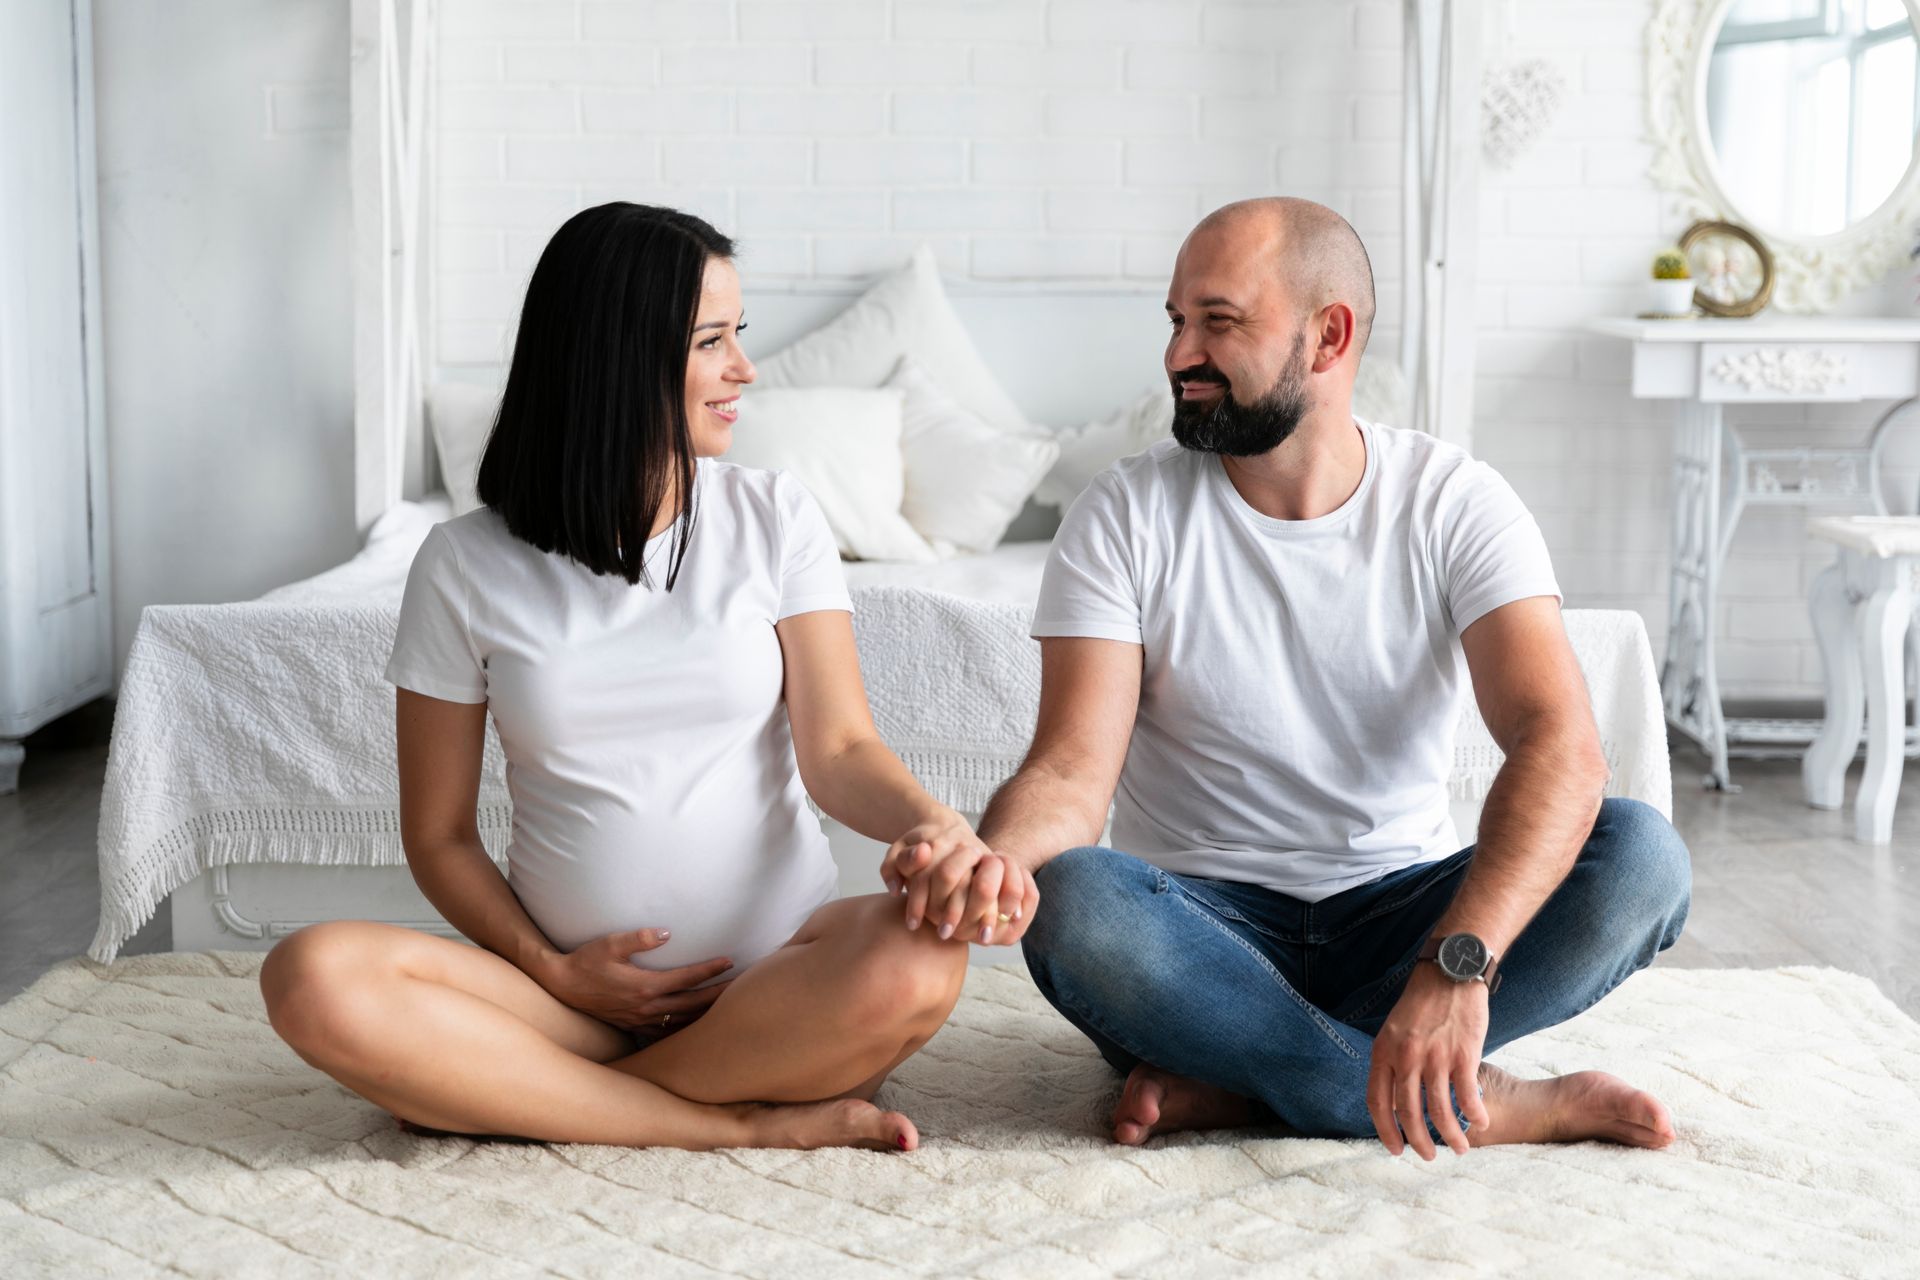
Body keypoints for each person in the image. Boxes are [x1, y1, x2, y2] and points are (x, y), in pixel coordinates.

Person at [885, 197, 1691, 1159]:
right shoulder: (1123, 515)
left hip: (1407, 919)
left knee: (1641, 857)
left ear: (1329, 337)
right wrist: (999, 860)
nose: (1180, 353)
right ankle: (1480, 1102)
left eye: (1218, 322)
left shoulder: (1456, 504)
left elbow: (1559, 745)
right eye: (1176, 321)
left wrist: (1455, 965)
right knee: (1074, 901)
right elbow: (1069, 770)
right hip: (1201, 940)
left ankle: (1254, 1081)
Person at [260, 203, 1037, 1152]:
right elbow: (440, 836)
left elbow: (839, 750)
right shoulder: (462, 564)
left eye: (737, 334)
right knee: (311, 976)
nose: (745, 369)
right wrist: (553, 970)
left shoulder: (774, 517)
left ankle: (520, 1096)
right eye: (712, 341)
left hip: (774, 990)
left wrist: (937, 825)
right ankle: (734, 1124)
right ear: (615, 358)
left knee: (918, 963)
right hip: (567, 1001)